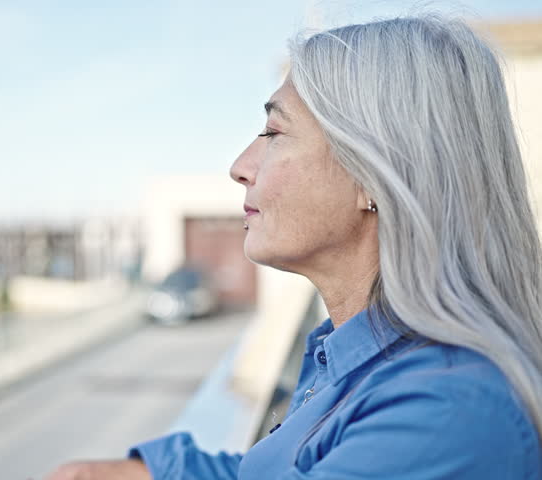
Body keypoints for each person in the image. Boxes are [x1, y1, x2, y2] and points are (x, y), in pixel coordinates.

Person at [43, 14, 542, 479]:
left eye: (273, 133)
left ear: (374, 174)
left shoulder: (446, 412)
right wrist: (155, 470)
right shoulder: (363, 356)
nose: (241, 166)